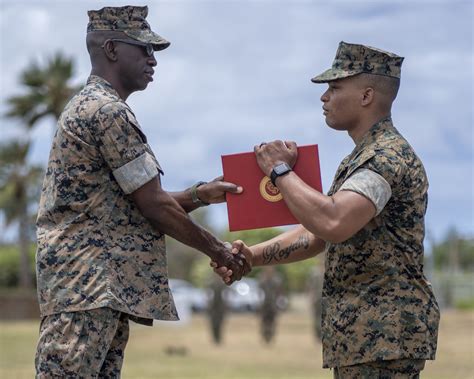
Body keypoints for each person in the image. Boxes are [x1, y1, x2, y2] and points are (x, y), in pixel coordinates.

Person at [34, 5, 250, 378]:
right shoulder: (106, 112)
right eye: (144, 49)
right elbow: (153, 205)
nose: (153, 59)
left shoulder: (93, 107)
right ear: (113, 50)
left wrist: (199, 194)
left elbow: (131, 204)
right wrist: (218, 251)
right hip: (88, 291)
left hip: (94, 291)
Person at [214, 41, 440, 378]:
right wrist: (252, 256)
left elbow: (333, 221)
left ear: (366, 96)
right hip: (367, 338)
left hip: (384, 337)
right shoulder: (360, 159)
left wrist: (279, 171)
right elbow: (319, 232)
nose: (324, 97)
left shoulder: (386, 158)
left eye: (334, 87)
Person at [258, 266, 284, 344]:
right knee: (264, 322)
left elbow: (279, 291)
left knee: (273, 322)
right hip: (264, 304)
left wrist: (280, 302)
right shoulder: (262, 278)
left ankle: (271, 337)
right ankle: (265, 337)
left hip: (273, 304)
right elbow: (259, 291)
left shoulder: (277, 279)